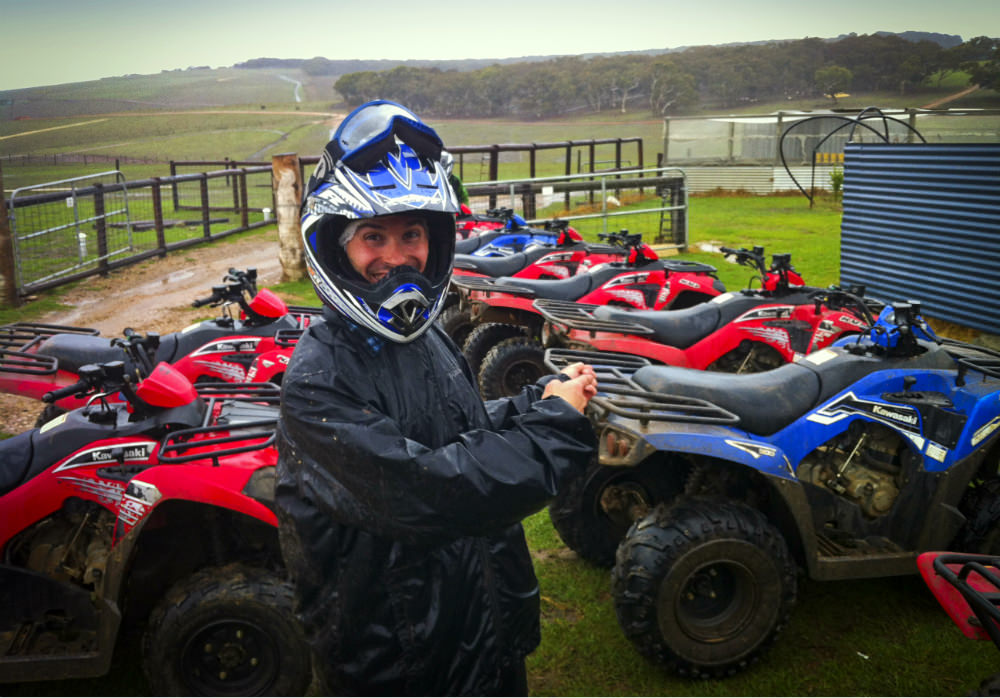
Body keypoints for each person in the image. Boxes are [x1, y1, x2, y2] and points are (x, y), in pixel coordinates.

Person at [274, 100, 598, 696]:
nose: (396, 256)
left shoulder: (426, 340)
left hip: (480, 633)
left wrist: (536, 401)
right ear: (336, 246)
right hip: (400, 662)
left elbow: (458, 431)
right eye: (373, 236)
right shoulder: (319, 380)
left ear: (437, 240)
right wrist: (552, 430)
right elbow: (428, 491)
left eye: (412, 233)